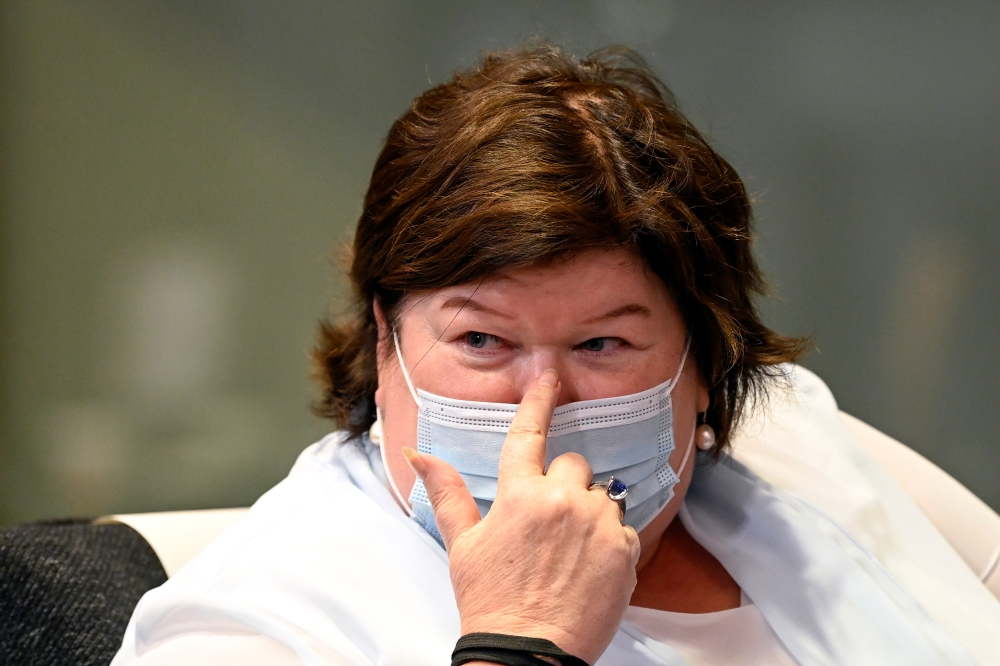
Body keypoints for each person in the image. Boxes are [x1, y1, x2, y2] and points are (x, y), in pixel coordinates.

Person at [111, 45, 1000, 666]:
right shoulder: (247, 626)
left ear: (705, 358)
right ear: (386, 343)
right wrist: (520, 642)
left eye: (604, 342)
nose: (544, 402)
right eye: (482, 341)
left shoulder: (795, 448)